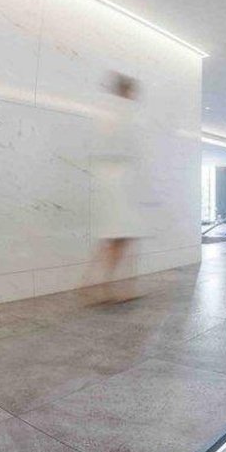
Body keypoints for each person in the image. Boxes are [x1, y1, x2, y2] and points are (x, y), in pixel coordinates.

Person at [88, 73, 147, 304]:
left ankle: (97, 285)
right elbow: (128, 150)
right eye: (133, 91)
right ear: (128, 91)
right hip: (119, 182)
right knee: (121, 237)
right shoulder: (123, 114)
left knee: (115, 237)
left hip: (111, 181)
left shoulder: (107, 113)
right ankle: (109, 287)